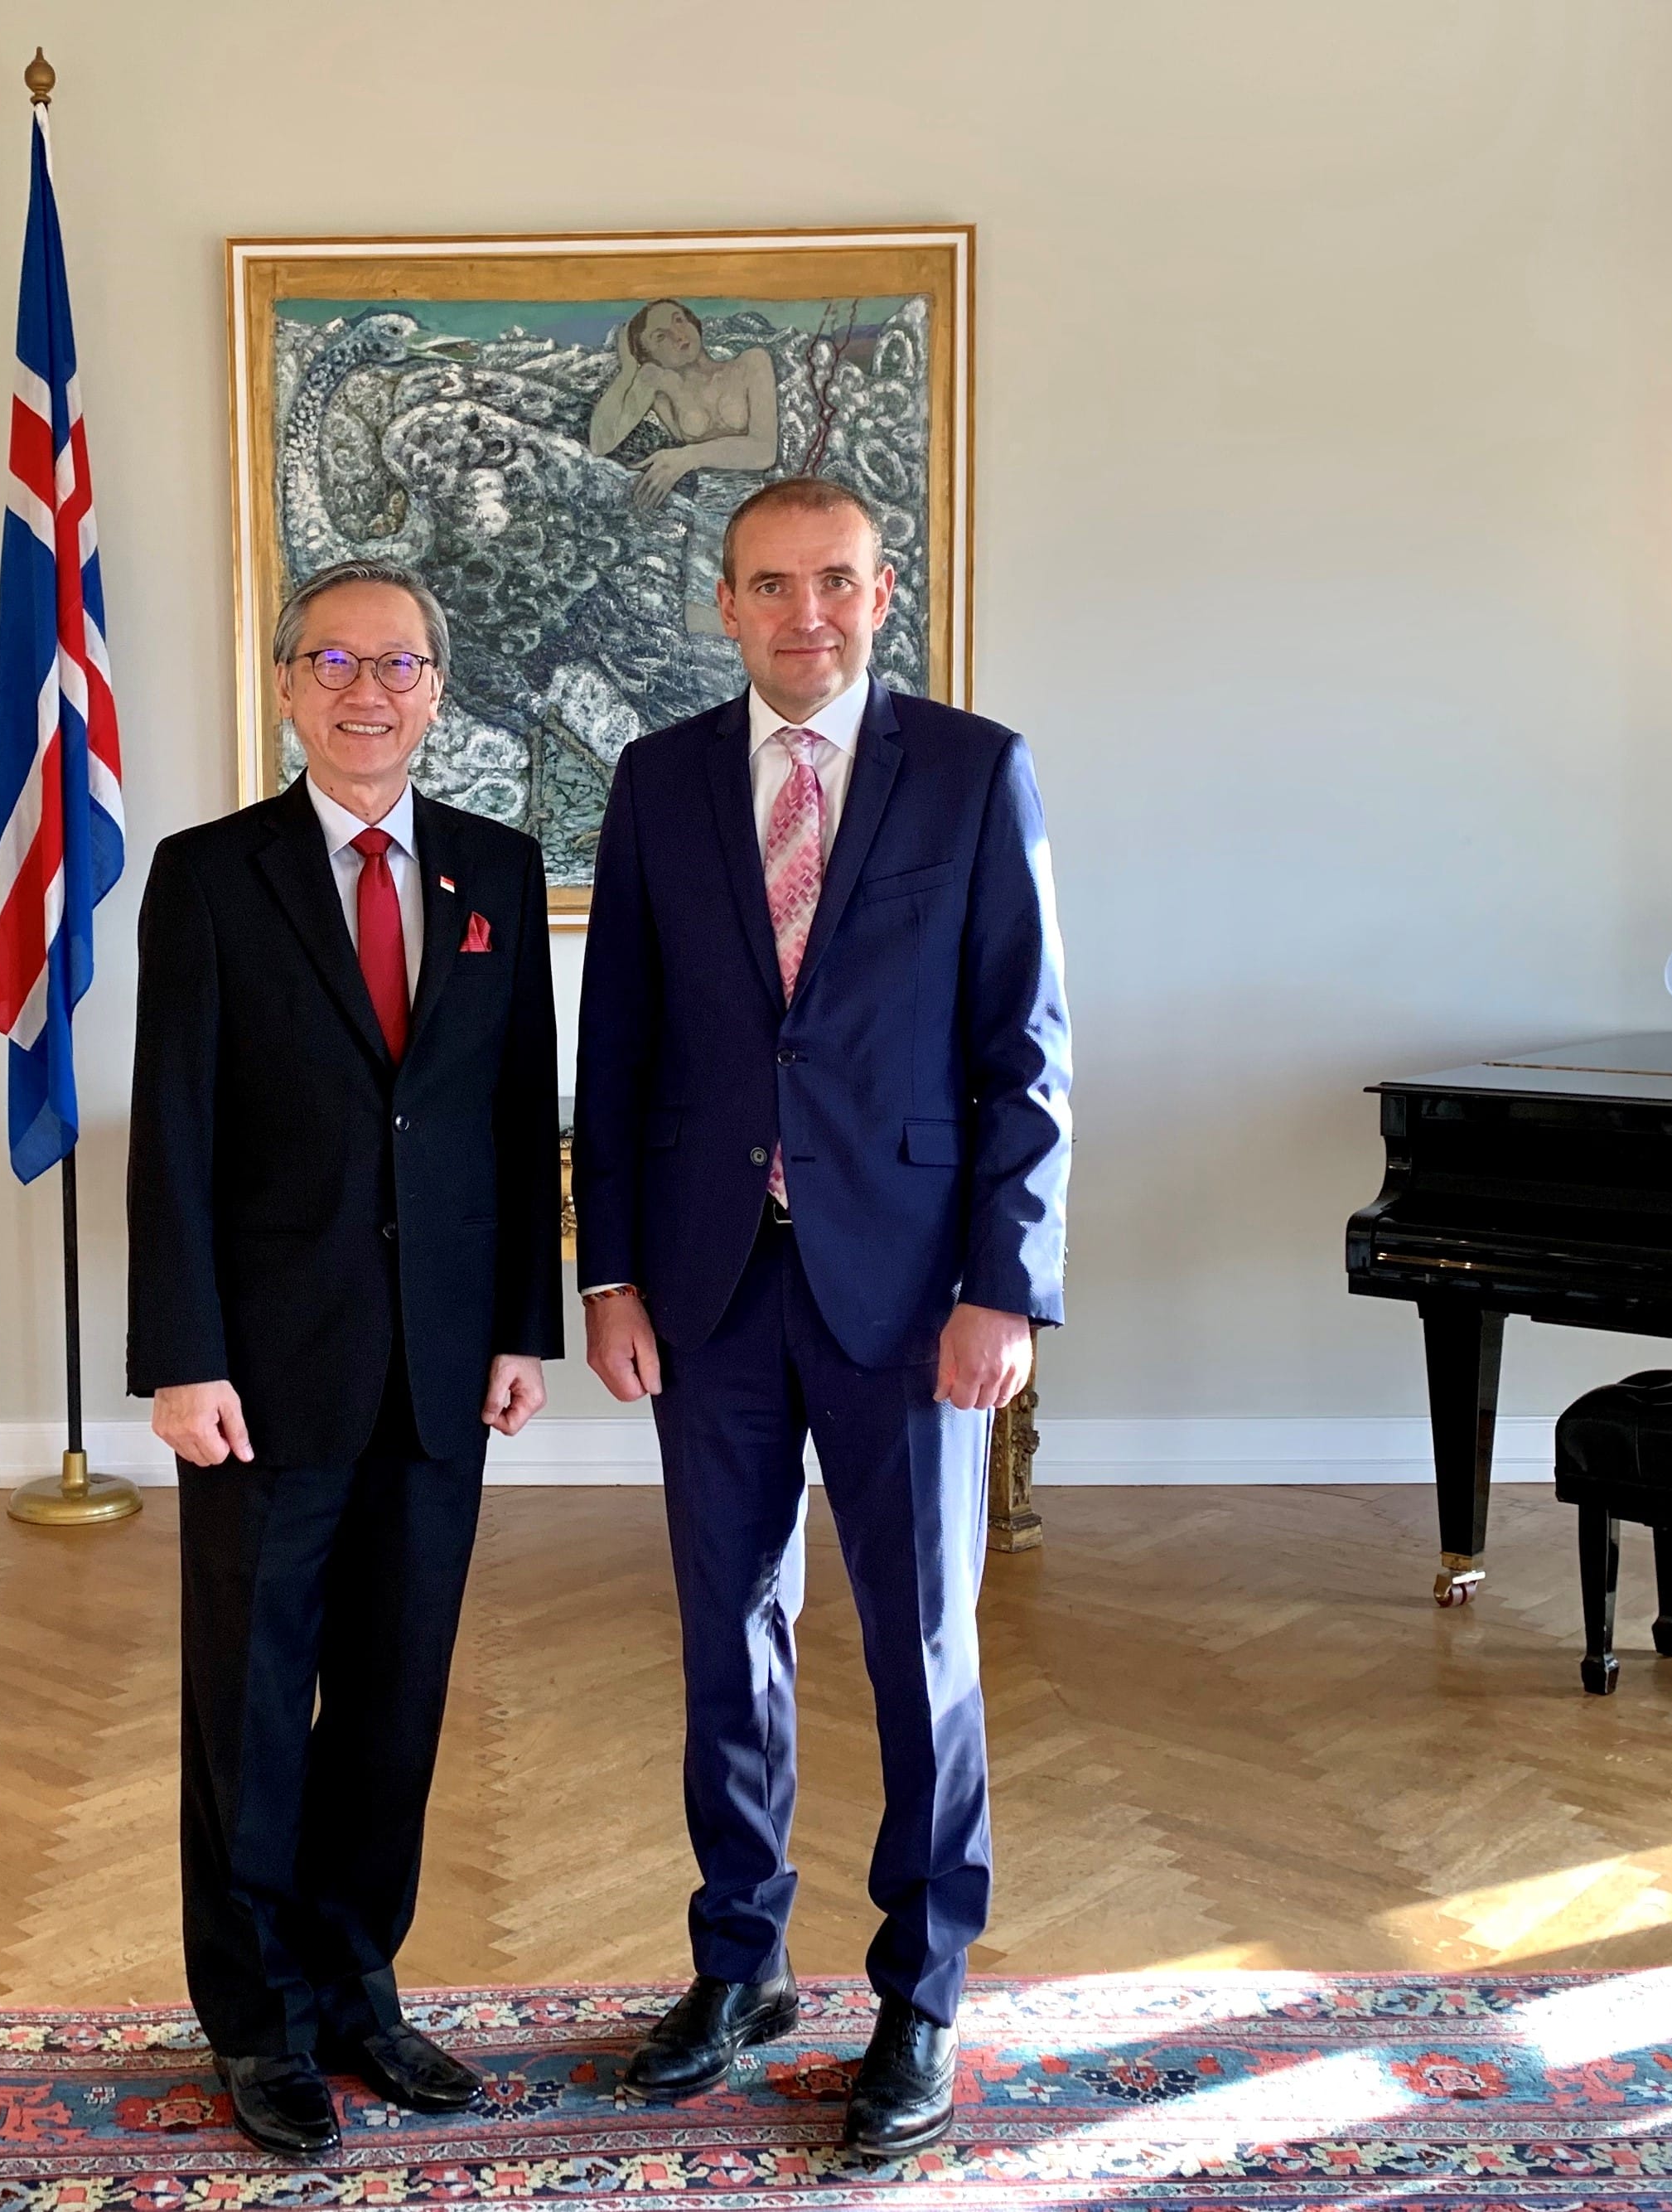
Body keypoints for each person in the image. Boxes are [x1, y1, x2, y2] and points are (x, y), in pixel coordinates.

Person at [573, 477, 1071, 2156]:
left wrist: (1005, 1282)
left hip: (914, 1290)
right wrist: (610, 1269)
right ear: (723, 603)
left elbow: (1028, 1050)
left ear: (882, 592)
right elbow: (619, 1047)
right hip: (711, 1287)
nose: (808, 614)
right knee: (729, 1635)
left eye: (837, 581)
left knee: (924, 1645)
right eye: (772, 585)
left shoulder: (972, 769)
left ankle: (921, 1989)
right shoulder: (656, 782)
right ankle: (740, 1961)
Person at [127, 557, 563, 2159]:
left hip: (442, 1363)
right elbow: (169, 1131)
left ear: (435, 690)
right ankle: (259, 2020)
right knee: (249, 1698)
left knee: (394, 1692)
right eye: (334, 660)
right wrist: (182, 1353)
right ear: (288, 685)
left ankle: (358, 1980)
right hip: (261, 1365)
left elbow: (523, 1118)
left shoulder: (495, 874)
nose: (367, 689)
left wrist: (524, 1318)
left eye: (398, 665)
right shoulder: (209, 873)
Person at [589, 298, 781, 513]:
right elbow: (600, 444)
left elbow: (765, 451)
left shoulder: (751, 363)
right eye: (661, 336)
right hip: (700, 511)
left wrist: (688, 457)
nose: (678, 335)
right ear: (649, 355)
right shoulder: (660, 388)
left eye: (679, 320)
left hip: (759, 506)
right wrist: (627, 372)